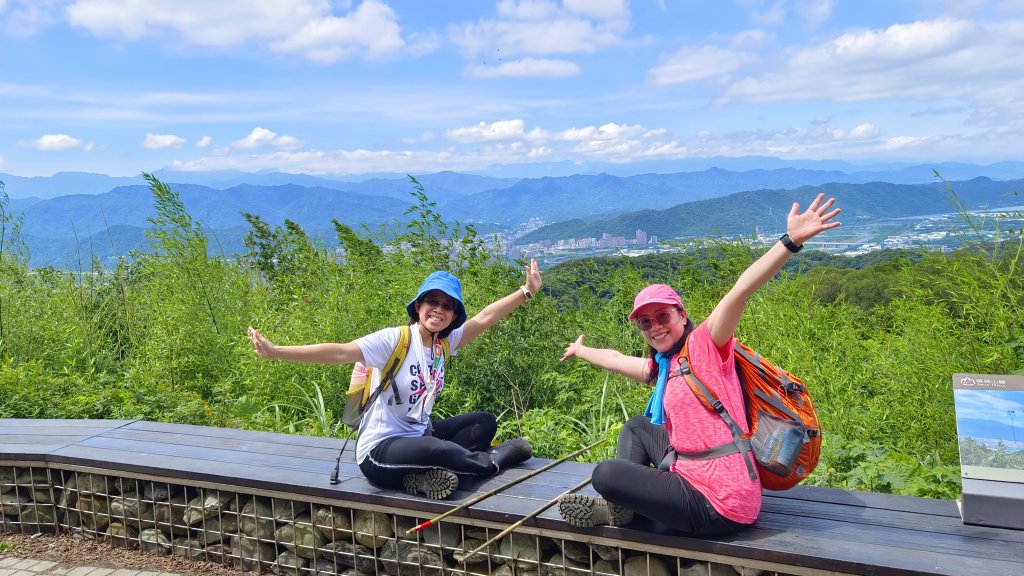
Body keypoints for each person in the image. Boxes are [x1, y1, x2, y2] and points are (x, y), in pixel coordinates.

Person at [556, 194, 840, 536]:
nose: (655, 327)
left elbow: (741, 290)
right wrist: (581, 349)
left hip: (722, 503)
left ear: (682, 316)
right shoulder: (667, 368)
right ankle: (623, 510)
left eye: (663, 316)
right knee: (638, 427)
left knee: (606, 474)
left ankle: (623, 509)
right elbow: (615, 360)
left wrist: (790, 241)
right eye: (645, 323)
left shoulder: (705, 347)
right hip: (692, 477)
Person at [247, 261, 542, 499]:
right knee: (441, 450)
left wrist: (526, 291)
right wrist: (277, 352)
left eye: (448, 305)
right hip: (380, 452)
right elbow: (339, 352)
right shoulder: (394, 340)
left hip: (419, 434)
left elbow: (486, 318)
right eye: (432, 301)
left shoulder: (444, 344)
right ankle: (488, 464)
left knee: (484, 422)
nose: (439, 309)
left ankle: (424, 476)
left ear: (454, 315)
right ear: (418, 305)